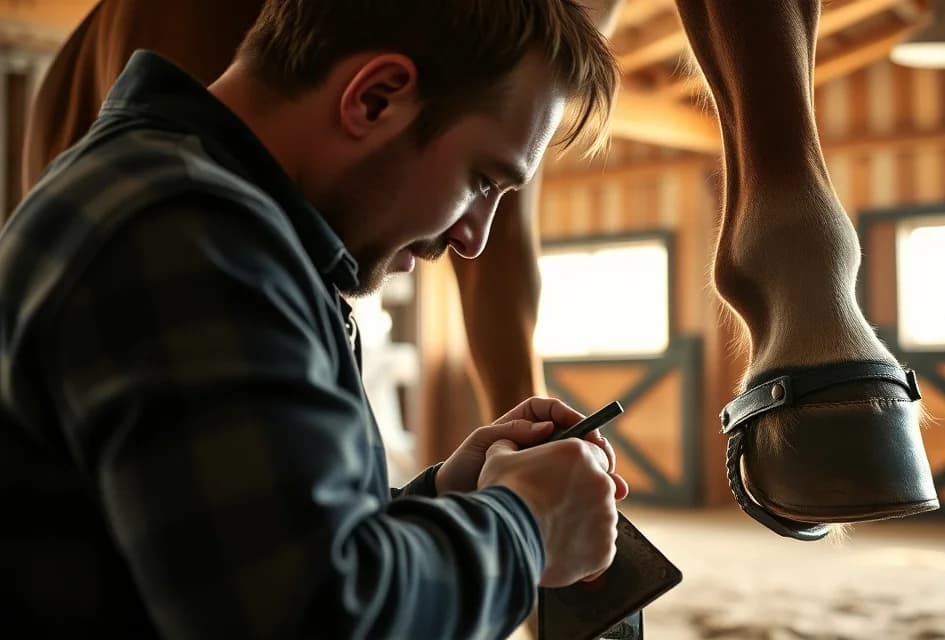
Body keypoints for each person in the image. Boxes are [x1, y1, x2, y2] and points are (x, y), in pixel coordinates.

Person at [0, 0, 627, 637]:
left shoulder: (205, 219)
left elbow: (247, 554)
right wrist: (527, 525)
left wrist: (447, 498)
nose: (474, 239)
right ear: (377, 98)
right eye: (482, 181)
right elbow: (317, 618)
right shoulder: (189, 239)